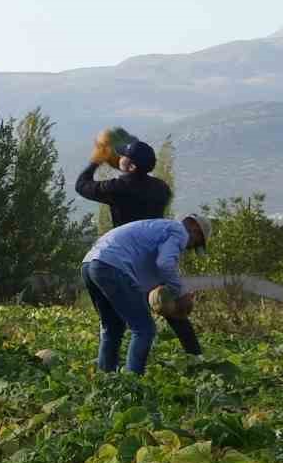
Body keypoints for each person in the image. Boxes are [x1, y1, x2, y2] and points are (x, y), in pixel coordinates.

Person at [75, 138, 202, 355]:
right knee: (174, 313)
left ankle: (113, 369)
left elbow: (82, 186)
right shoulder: (162, 189)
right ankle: (196, 356)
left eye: (122, 156)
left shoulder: (118, 188)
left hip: (125, 259)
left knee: (120, 324)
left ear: (131, 166)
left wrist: (97, 161)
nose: (118, 158)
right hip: (154, 254)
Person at [80, 213, 210, 375]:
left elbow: (148, 275)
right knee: (144, 329)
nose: (189, 248)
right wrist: (180, 293)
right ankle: (133, 381)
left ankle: (106, 378)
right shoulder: (179, 231)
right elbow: (164, 264)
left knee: (112, 327)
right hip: (111, 266)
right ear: (194, 228)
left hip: (90, 264)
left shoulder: (157, 228)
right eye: (196, 244)